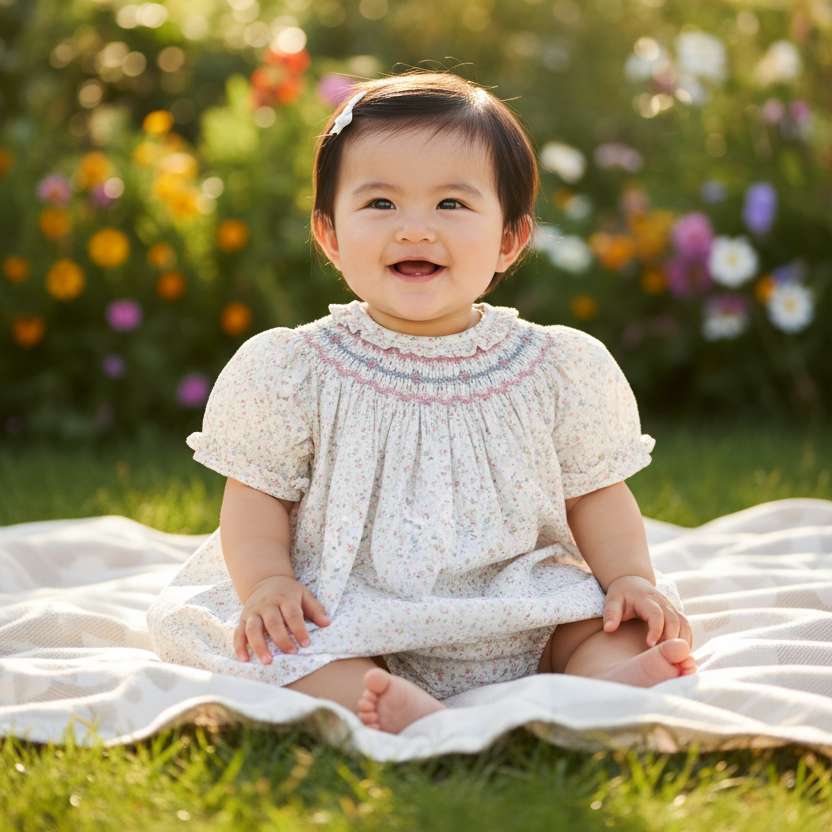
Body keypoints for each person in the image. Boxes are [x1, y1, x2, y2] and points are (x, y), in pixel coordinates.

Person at [147, 72, 696, 735]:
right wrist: (268, 584)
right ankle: (386, 699)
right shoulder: (297, 368)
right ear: (329, 234)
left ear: (509, 240)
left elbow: (594, 494)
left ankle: (597, 680)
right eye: (379, 203)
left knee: (606, 622)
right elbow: (259, 494)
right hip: (351, 607)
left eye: (451, 206)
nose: (414, 229)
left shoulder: (554, 368)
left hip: (520, 602)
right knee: (279, 648)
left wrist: (630, 577)